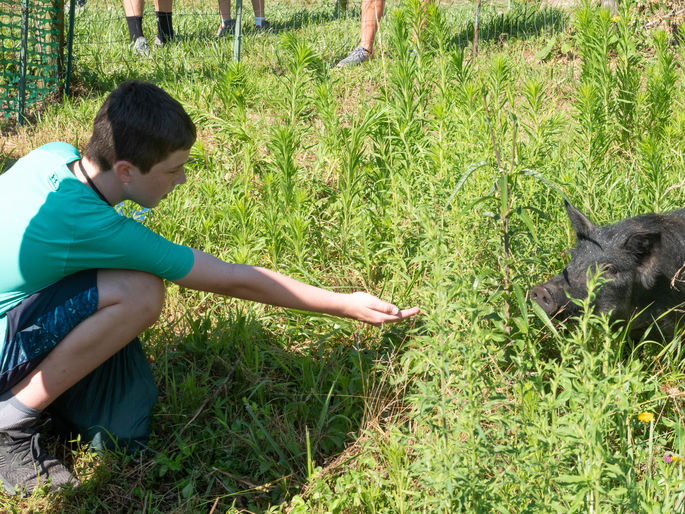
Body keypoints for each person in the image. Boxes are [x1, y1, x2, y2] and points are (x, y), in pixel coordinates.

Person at [0, 80, 419, 495]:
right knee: (141, 291)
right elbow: (231, 279)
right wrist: (344, 304)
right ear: (125, 171)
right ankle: (10, 422)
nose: (181, 180)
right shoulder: (96, 227)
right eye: (172, 170)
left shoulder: (52, 155)